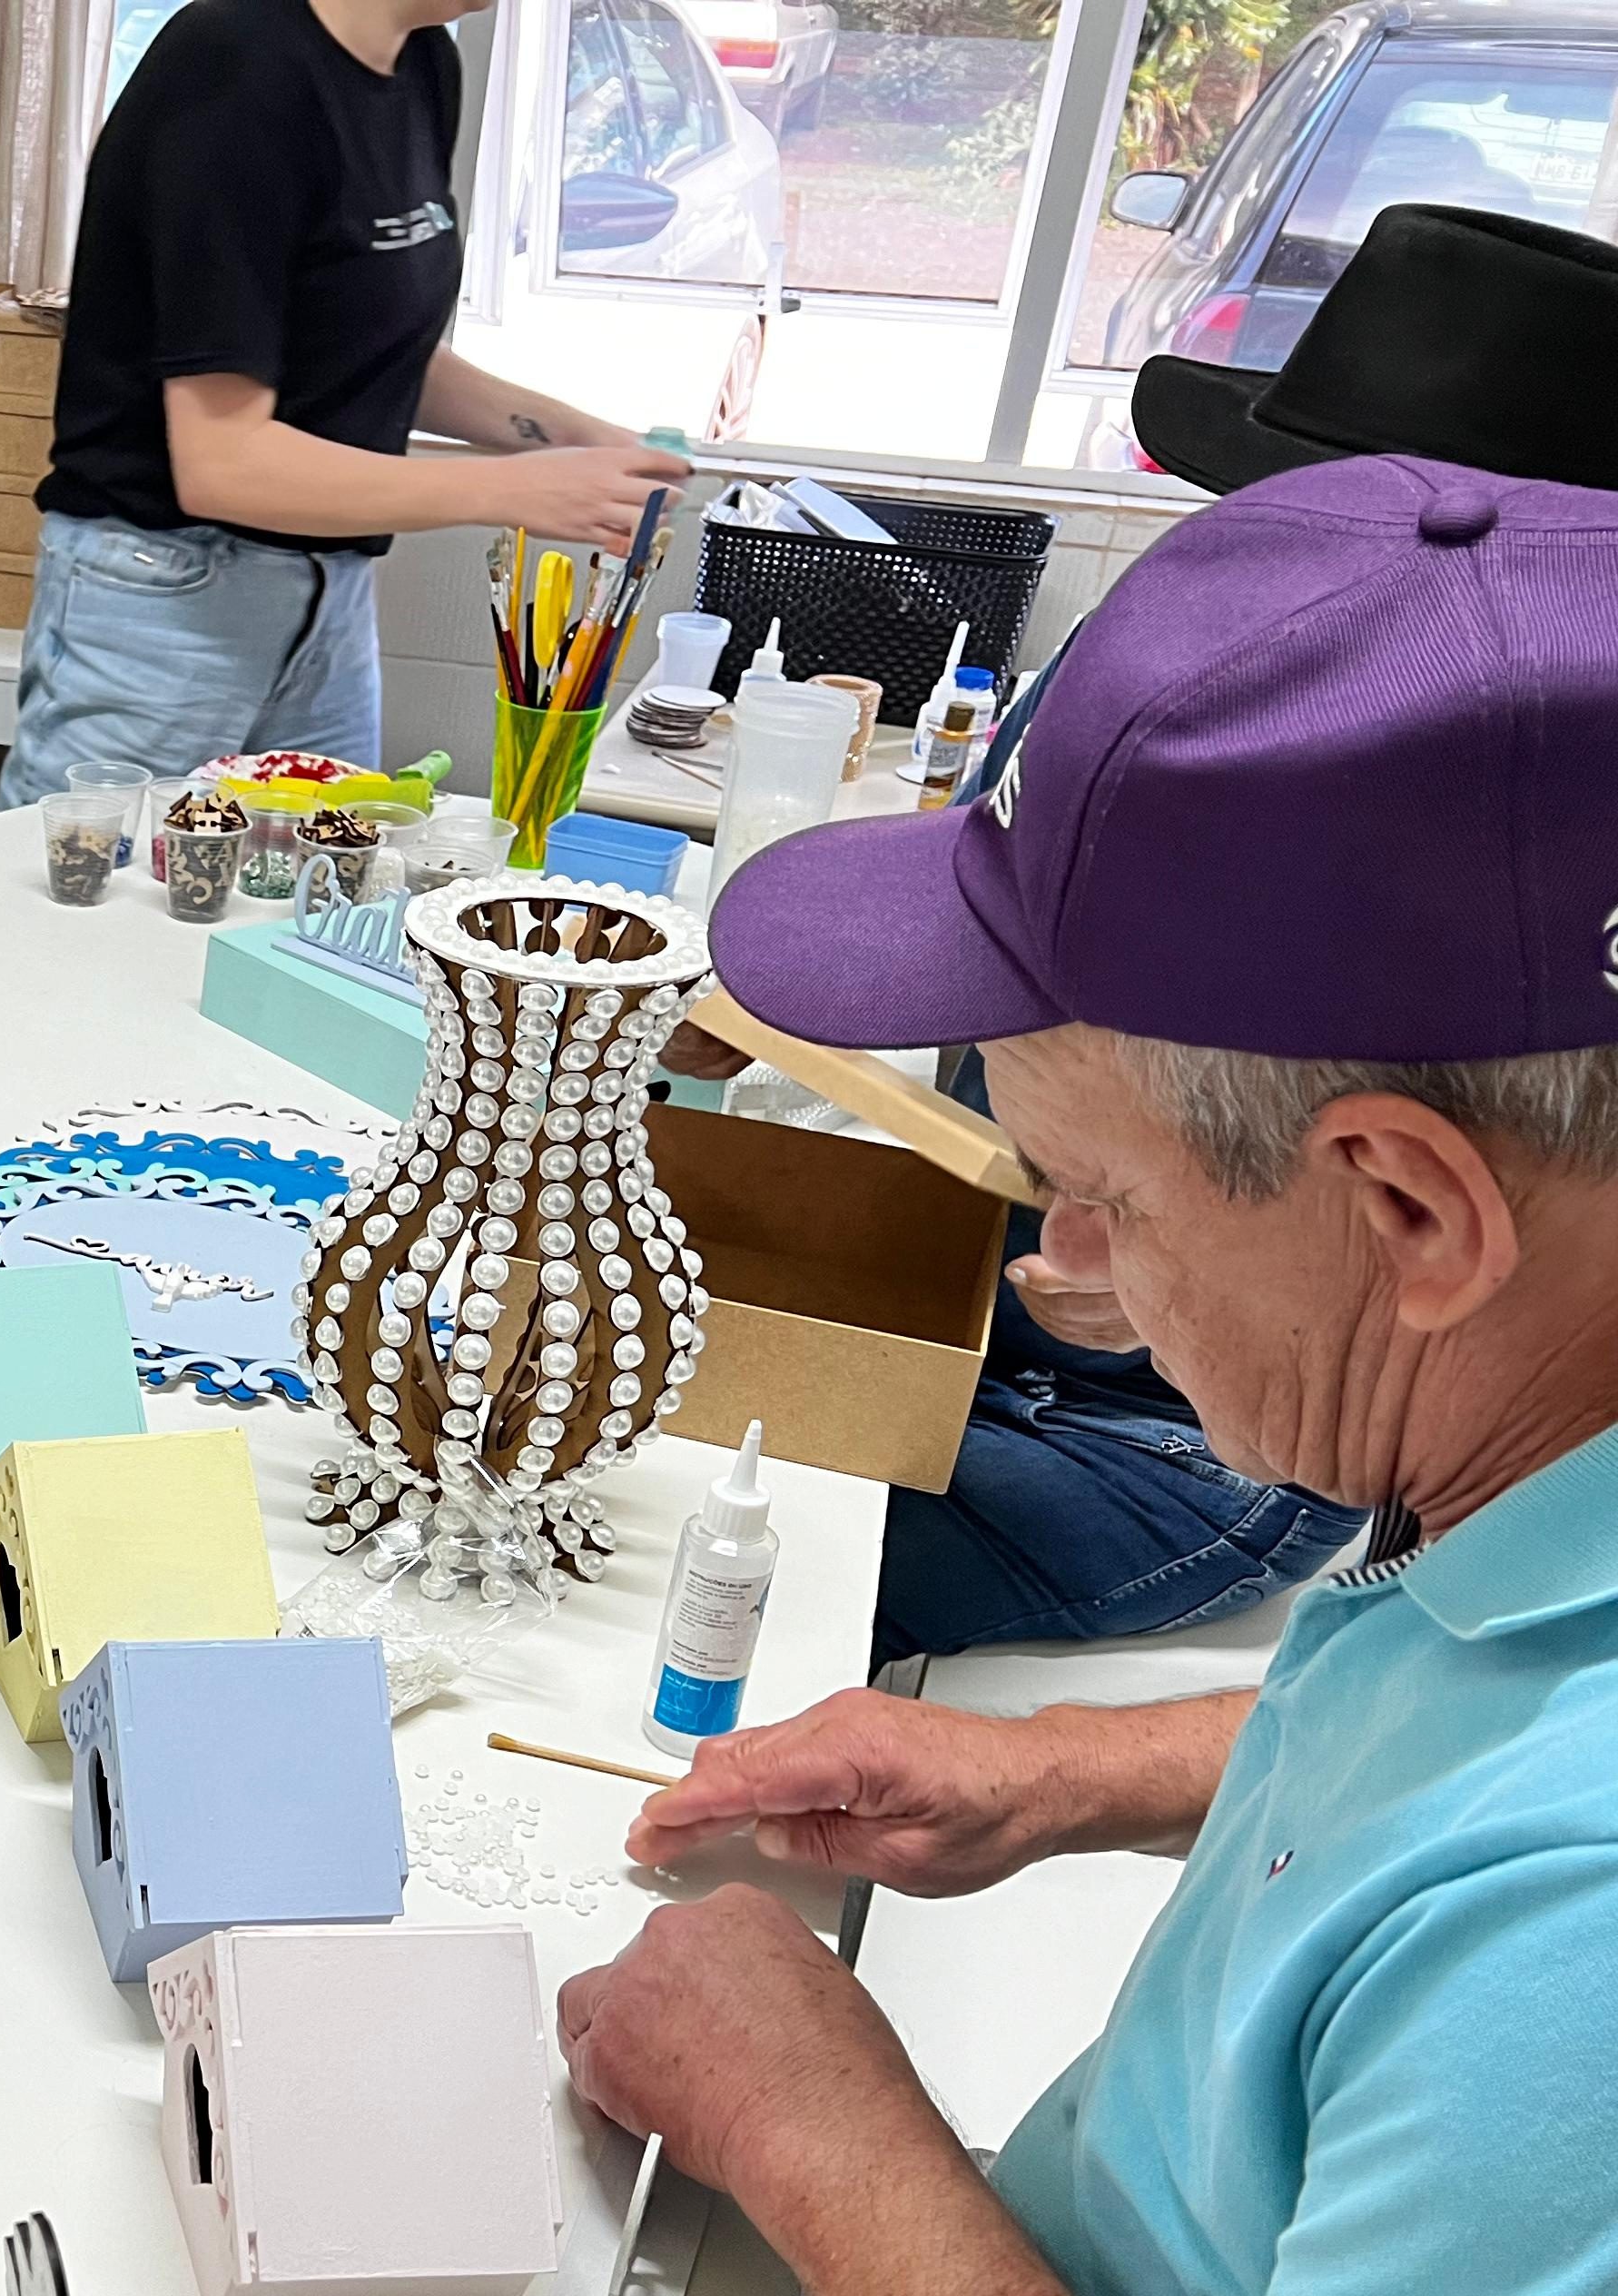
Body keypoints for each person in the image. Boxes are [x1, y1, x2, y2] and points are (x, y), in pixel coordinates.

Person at [564, 454, 1618, 2296]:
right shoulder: (1544, 1481)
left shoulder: (1588, 1953)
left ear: (1413, 1214)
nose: (1069, 1266)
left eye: (1097, 1196)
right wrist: (1066, 1773)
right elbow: (1483, 1751)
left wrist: (832, 2139)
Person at [671, 202, 1618, 1663]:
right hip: (1061, 1326)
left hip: (1184, 1428)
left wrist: (1153, 1245)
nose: (1249, 580)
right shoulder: (1150, 681)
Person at [0, 0, 691, 807]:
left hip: (332, 597)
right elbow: (223, 465)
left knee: (333, 881)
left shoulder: (424, 63)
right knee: (101, 885)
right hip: (167, 594)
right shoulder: (233, 68)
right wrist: (516, 490)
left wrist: (577, 441)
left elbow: (371, 352)